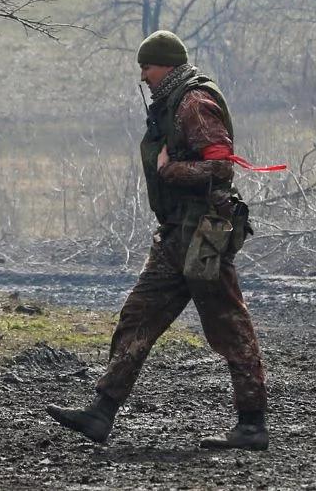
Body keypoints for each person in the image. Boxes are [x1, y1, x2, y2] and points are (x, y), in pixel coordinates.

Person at [46, 30, 269, 451]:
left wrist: (171, 171)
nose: (143, 75)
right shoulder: (171, 103)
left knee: (228, 324)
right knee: (138, 316)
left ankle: (252, 424)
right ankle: (101, 412)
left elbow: (221, 169)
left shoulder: (193, 103)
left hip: (204, 235)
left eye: (147, 66)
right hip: (176, 235)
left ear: (166, 64)